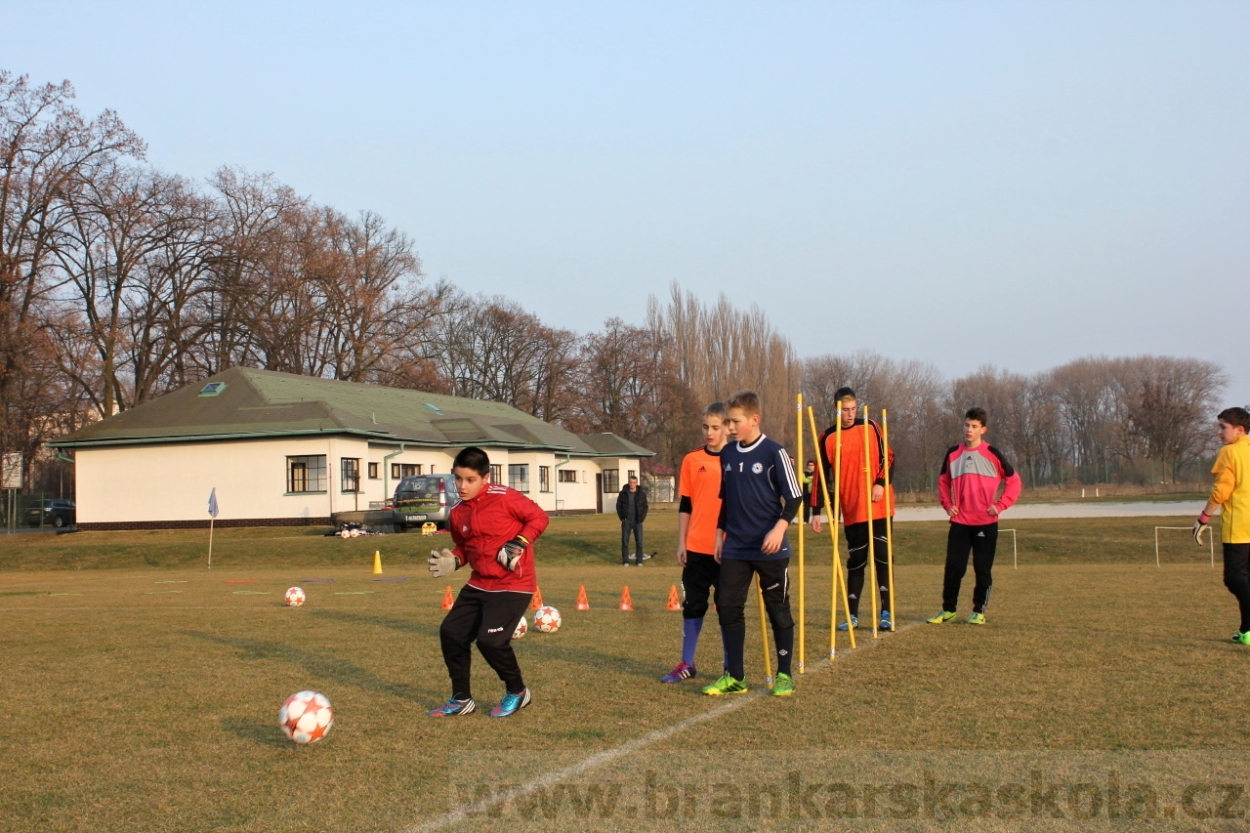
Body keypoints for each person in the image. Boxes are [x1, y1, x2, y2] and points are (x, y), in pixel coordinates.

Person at [426, 446, 550, 717]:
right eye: (457, 478)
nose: (462, 485)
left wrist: (519, 542)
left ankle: (517, 691)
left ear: (485, 478)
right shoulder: (458, 512)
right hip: (479, 583)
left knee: (490, 642)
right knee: (452, 633)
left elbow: (539, 518)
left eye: (470, 480)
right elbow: (465, 548)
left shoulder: (505, 497)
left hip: (513, 583)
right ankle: (461, 700)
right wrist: (454, 561)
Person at [704, 390, 803, 698]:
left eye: (734, 422)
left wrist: (779, 529)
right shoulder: (728, 454)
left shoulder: (775, 453)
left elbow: (796, 496)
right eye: (728, 422)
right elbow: (726, 499)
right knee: (728, 608)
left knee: (778, 609)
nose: (729, 428)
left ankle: (784, 674)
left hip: (770, 548)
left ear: (753, 420)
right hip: (735, 547)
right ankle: (735, 676)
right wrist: (720, 533)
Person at [811, 388, 896, 630]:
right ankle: (853, 615)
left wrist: (880, 482)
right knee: (857, 560)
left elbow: (888, 458)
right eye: (844, 410)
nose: (849, 414)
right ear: (836, 410)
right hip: (852, 507)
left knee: (882, 556)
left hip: (879, 505)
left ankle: (886, 612)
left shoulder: (871, 426)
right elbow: (819, 475)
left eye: (852, 409)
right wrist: (815, 511)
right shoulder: (827, 437)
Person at [927, 408, 1022, 625]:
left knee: (982, 569)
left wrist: (1000, 505)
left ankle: (978, 611)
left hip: (985, 523)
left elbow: (1014, 481)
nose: (969, 430)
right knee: (954, 568)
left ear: (983, 429)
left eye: (974, 426)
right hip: (960, 522)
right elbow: (943, 482)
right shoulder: (953, 454)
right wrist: (948, 505)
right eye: (967, 425)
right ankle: (948, 610)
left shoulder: (993, 454)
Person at [661, 402, 729, 683]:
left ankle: (730, 666)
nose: (709, 433)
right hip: (696, 547)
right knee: (694, 605)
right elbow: (686, 505)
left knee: (728, 607)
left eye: (715, 427)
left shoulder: (737, 459)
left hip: (728, 548)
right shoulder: (691, 460)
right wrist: (681, 542)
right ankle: (687, 663)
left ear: (728, 427)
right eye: (705, 427)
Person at [1193, 407, 1250, 644]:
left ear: (1239, 429)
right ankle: (1247, 632)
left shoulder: (1230, 452)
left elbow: (1222, 490)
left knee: (1234, 577)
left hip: (1239, 526)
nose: (1219, 432)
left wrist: (1203, 518)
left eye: (1223, 427)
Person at [617, 474, 649, 566]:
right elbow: (618, 506)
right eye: (630, 482)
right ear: (628, 482)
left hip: (637, 521)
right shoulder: (623, 493)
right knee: (625, 542)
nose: (632, 484)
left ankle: (639, 561)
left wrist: (641, 518)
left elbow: (645, 507)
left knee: (639, 542)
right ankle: (626, 561)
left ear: (636, 483)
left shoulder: (641, 494)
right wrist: (622, 517)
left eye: (634, 483)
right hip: (626, 521)